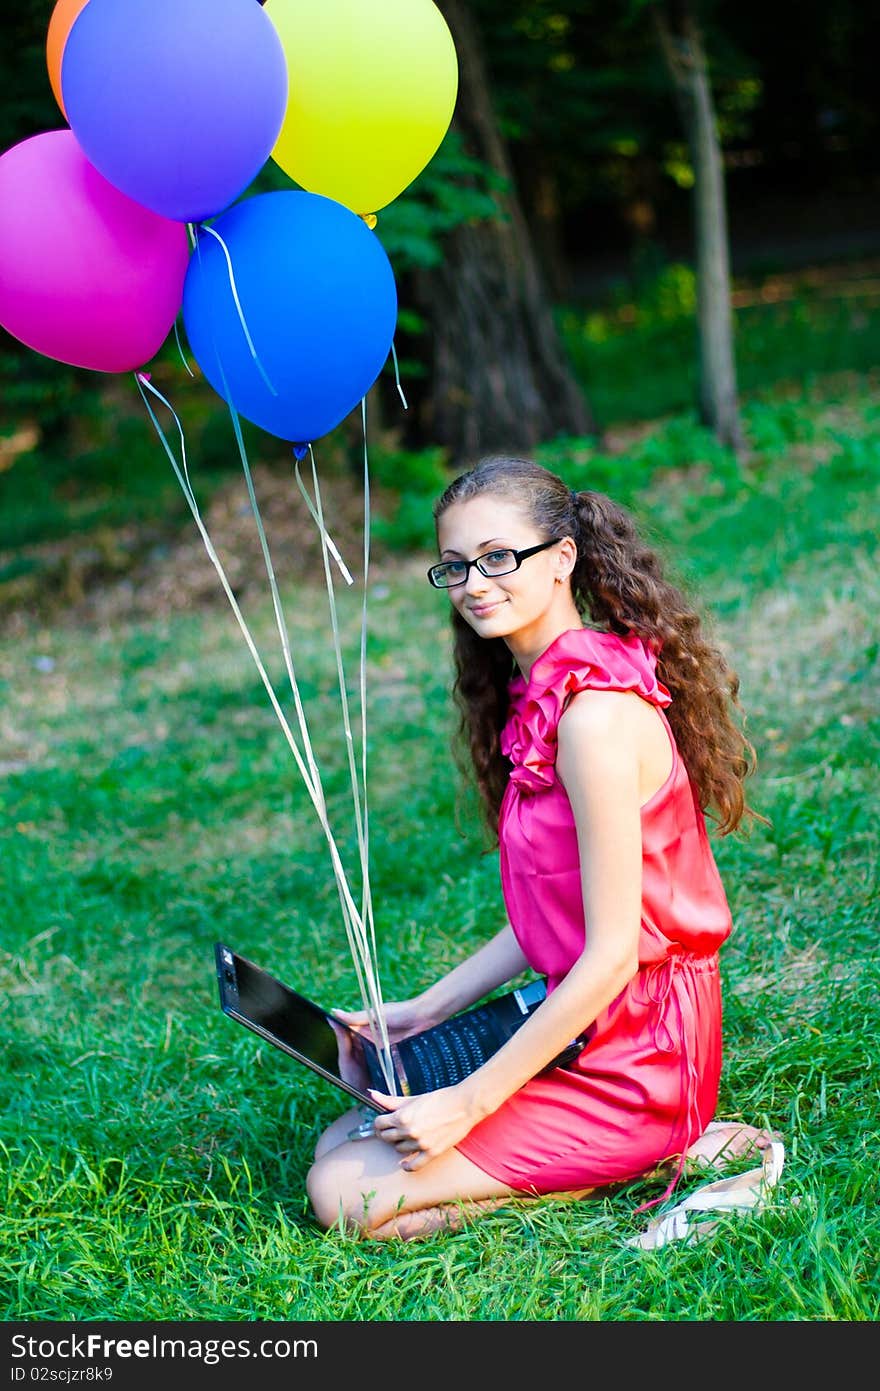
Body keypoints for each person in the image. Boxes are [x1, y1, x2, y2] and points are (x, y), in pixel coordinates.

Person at [306, 454, 772, 1241]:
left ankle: (647, 1152)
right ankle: (586, 1148)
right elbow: (556, 918)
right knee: (347, 1134)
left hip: (643, 1054)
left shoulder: (591, 714)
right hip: (590, 1020)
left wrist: (469, 1101)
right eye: (454, 566)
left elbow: (612, 953)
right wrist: (426, 1010)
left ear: (561, 559)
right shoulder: (538, 694)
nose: (473, 584)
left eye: (497, 557)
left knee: (344, 1193)